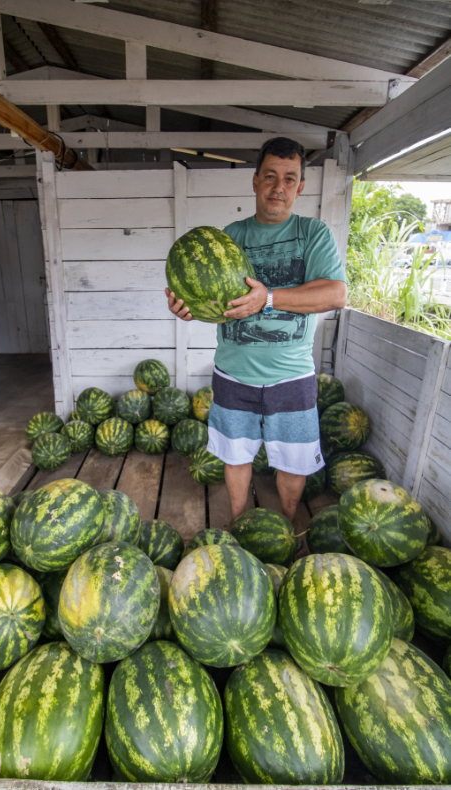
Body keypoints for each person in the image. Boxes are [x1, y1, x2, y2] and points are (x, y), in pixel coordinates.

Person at [165, 137, 347, 553]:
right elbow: (211, 301)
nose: (278, 187)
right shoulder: (231, 236)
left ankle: (282, 530)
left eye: (289, 178)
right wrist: (188, 306)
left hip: (292, 374)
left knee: (293, 462)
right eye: (270, 176)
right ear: (255, 181)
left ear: (300, 187)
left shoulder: (312, 234)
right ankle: (238, 523)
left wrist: (268, 298)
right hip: (233, 371)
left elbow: (335, 294)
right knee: (235, 456)